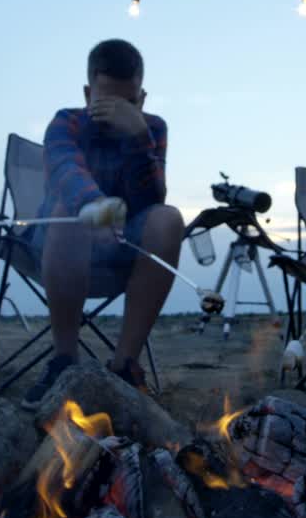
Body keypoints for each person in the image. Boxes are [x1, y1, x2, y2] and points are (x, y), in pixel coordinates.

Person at [19, 39, 185, 410]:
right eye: (106, 101)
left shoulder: (153, 128)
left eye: (127, 103)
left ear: (142, 98)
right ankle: (64, 360)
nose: (116, 112)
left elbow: (151, 199)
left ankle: (124, 366)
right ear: (87, 93)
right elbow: (65, 171)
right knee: (69, 212)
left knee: (168, 219)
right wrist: (96, 207)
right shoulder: (66, 122)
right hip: (55, 245)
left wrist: (137, 136)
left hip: (124, 250)